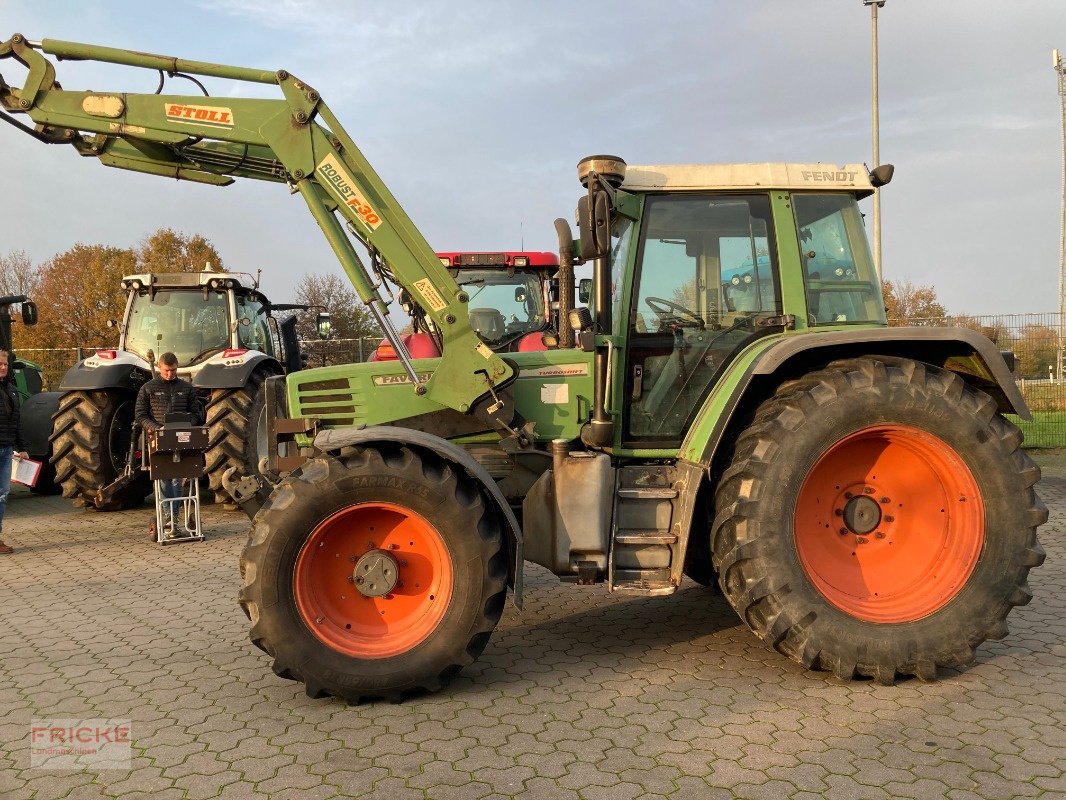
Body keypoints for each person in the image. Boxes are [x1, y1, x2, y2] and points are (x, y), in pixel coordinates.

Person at [135, 352, 204, 537]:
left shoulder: (187, 388)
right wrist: (158, 428)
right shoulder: (148, 388)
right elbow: (140, 416)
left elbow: (197, 414)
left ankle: (174, 519)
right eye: (166, 371)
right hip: (158, 440)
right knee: (164, 479)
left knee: (178, 479)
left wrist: (187, 425)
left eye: (173, 370)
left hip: (182, 440)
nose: (170, 374)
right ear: (159, 367)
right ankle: (169, 519)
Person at [0, 350, 28, 554]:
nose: (3, 367)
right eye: (0, 364)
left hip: (6, 448)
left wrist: (22, 447)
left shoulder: (10, 390)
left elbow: (16, 422)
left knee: (2, 494)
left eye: (5, 364)